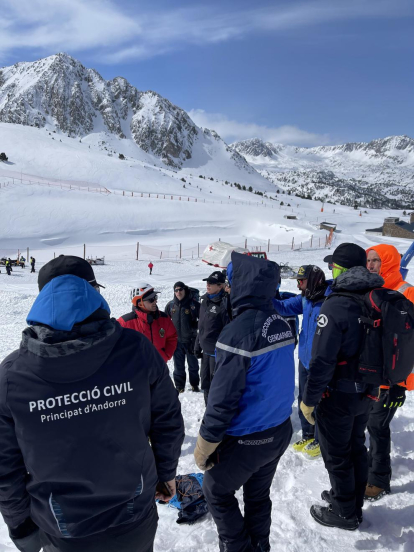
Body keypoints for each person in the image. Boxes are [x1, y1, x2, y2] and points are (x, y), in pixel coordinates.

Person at [0, 255, 184, 552]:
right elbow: (168, 421)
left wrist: (21, 527)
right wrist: (166, 475)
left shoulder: (12, 375)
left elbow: (6, 468)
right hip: (133, 516)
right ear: (92, 292)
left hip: (65, 530)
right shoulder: (136, 349)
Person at [194, 252, 295, 552]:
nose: (227, 288)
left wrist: (206, 443)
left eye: (231, 282)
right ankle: (260, 544)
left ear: (243, 285)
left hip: (250, 439)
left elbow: (222, 399)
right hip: (279, 431)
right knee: (257, 494)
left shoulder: (238, 333)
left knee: (215, 490)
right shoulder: (280, 321)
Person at [300, 243, 384, 530]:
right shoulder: (374, 297)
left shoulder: (336, 303)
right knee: (356, 447)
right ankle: (349, 497)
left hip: (337, 395)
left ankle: (345, 512)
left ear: (341, 268)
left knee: (337, 454)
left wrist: (309, 400)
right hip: (367, 392)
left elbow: (322, 361)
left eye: (333, 265)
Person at [365, 244, 414, 501]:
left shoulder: (406, 293)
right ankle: (368, 470)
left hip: (391, 380)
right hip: (370, 376)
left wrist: (400, 385)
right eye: (368, 261)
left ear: (389, 262)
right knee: (367, 424)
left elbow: (410, 346)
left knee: (377, 426)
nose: (370, 265)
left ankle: (379, 481)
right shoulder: (371, 291)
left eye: (376, 260)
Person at [273, 265, 329, 458]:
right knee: (303, 398)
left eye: (301, 281)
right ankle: (308, 433)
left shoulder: (330, 300)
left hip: (321, 362)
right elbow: (283, 307)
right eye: (297, 281)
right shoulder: (306, 298)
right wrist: (265, 297)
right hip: (304, 359)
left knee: (319, 402)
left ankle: (321, 440)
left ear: (314, 280)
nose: (298, 285)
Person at [117, 283, 177, 363]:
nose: (155, 301)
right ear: (140, 303)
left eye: (155, 297)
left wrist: (165, 355)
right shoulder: (125, 323)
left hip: (159, 367)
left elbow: (172, 337)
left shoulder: (164, 318)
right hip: (137, 371)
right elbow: (116, 346)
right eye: (151, 299)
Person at [195, 271, 230, 405]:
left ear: (220, 286)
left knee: (217, 386)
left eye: (212, 283)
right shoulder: (204, 301)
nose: (208, 285)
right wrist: (197, 344)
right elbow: (202, 325)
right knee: (205, 384)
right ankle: (208, 411)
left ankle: (217, 414)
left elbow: (228, 330)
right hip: (205, 353)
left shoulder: (224, 304)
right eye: (207, 282)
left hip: (217, 354)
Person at [166, 282, 200, 392]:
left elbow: (204, 320)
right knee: (178, 367)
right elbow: (164, 321)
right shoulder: (171, 305)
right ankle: (179, 386)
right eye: (176, 290)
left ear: (184, 290)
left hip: (191, 341)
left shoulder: (193, 304)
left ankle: (195, 385)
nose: (178, 292)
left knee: (193, 366)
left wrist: (194, 328)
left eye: (180, 289)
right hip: (177, 342)